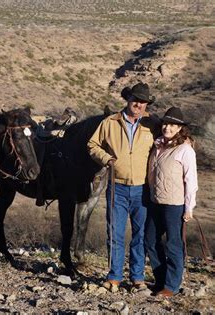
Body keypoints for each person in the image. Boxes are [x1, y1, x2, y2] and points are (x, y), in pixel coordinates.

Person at [87, 82, 157, 291]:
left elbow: (173, 136)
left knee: (140, 234)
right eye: (135, 100)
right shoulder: (110, 122)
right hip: (116, 188)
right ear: (128, 99)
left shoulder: (152, 124)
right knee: (115, 232)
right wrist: (107, 159)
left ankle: (137, 277)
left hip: (143, 188)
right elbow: (92, 144)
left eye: (143, 102)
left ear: (146, 104)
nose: (139, 104)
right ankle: (114, 276)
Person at [145, 107, 198, 297]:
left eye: (173, 125)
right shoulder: (158, 146)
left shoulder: (185, 150)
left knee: (173, 244)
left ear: (179, 128)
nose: (168, 127)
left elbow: (191, 180)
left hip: (175, 204)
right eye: (166, 123)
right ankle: (160, 281)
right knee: (150, 240)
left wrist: (189, 207)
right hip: (155, 201)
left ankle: (172, 286)